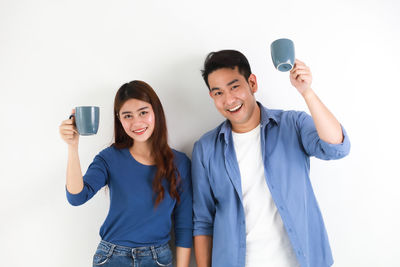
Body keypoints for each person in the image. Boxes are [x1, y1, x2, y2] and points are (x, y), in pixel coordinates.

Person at [192, 50, 350, 267]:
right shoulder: (206, 148)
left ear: (252, 83)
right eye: (218, 93)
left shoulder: (291, 124)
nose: (228, 100)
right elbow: (203, 221)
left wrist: (307, 92)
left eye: (234, 86)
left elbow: (337, 147)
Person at [59, 80, 192, 267]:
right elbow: (77, 197)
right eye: (127, 116)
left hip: (158, 259)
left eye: (143, 112)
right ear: (119, 119)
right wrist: (72, 147)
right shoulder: (109, 158)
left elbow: (184, 226)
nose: (137, 122)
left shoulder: (180, 163)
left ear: (156, 112)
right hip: (112, 258)